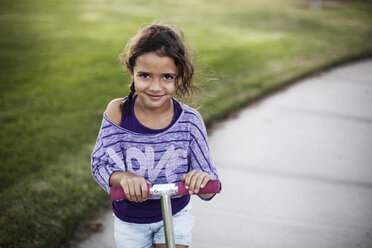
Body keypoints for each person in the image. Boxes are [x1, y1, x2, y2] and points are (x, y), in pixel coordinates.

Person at [91, 22, 219, 248]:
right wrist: (124, 179)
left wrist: (201, 179)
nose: (156, 86)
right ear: (132, 72)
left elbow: (209, 184)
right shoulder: (119, 113)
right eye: (145, 75)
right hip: (130, 220)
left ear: (179, 76)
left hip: (175, 214)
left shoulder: (190, 121)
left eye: (167, 77)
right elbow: (100, 163)